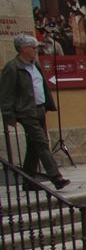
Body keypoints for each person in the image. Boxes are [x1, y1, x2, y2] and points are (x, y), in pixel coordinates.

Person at [1, 34, 69, 190]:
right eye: (34, 48)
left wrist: (47, 105)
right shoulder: (13, 67)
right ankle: (56, 177)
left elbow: (41, 86)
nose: (37, 50)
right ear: (24, 49)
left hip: (40, 109)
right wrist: (8, 115)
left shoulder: (35, 65)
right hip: (26, 111)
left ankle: (28, 180)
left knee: (34, 146)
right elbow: (6, 93)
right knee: (41, 142)